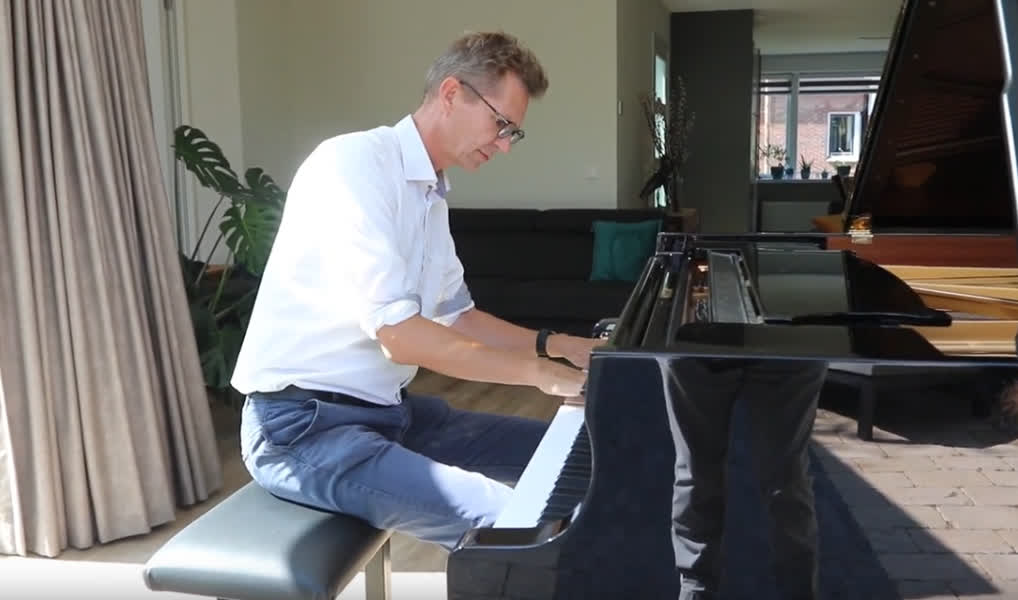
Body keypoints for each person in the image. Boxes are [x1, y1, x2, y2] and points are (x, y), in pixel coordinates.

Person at [230, 31, 598, 551]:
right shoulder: (353, 164)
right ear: (451, 93)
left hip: (389, 412)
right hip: (302, 429)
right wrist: (539, 374)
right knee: (516, 524)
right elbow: (400, 338)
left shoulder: (430, 195)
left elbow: (458, 316)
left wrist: (559, 345)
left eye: (512, 133)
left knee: (588, 458)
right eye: (501, 124)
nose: (503, 145)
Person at [665, 355, 828, 600]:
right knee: (787, 480)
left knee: (698, 474)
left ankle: (696, 589)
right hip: (787, 345)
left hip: (706, 344)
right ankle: (799, 591)